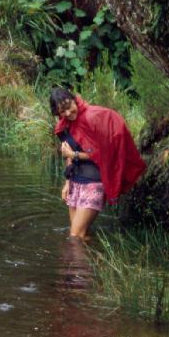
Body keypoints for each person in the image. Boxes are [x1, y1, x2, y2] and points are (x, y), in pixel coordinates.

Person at [50, 87, 146, 241]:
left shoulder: (94, 116)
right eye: (62, 111)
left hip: (94, 182)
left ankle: (83, 263)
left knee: (75, 236)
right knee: (80, 233)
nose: (68, 113)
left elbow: (105, 153)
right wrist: (67, 183)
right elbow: (67, 155)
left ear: (75, 99)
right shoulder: (65, 125)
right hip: (76, 181)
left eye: (69, 107)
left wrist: (74, 154)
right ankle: (91, 261)